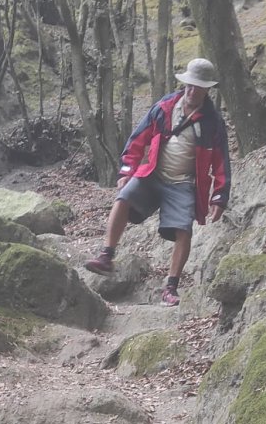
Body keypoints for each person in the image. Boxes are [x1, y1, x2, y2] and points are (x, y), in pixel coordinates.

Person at [85, 58, 231, 306]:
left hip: (183, 183)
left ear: (207, 89)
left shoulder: (212, 123)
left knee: (184, 230)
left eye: (198, 86)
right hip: (152, 172)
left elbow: (221, 162)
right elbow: (138, 138)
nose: (192, 90)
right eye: (189, 85)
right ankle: (106, 255)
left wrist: (220, 195)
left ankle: (171, 288)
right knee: (123, 198)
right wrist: (127, 170)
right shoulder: (165, 106)